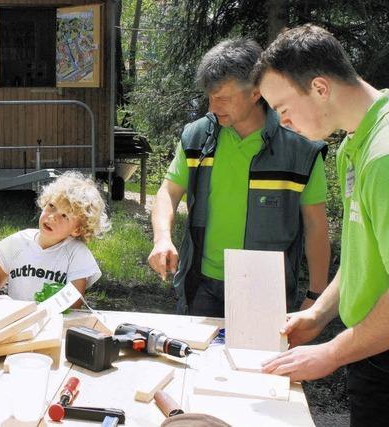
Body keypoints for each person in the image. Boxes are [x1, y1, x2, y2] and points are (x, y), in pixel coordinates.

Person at [253, 24, 389, 425]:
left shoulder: (383, 157)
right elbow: (365, 256)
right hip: (369, 347)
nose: (283, 122)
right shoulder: (354, 143)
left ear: (320, 88)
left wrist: (332, 353)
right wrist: (319, 315)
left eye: (283, 108)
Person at [148, 38, 330, 317]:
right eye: (209, 97)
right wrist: (162, 239)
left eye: (222, 98)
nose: (212, 107)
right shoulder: (197, 136)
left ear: (256, 92)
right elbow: (168, 192)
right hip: (201, 283)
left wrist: (316, 295)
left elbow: (316, 226)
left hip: (264, 288)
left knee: (258, 362)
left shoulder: (300, 149)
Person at [0, 172, 109, 308]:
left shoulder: (76, 253)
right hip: (16, 321)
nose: (52, 217)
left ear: (77, 230)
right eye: (52, 206)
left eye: (65, 215)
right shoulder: (19, 241)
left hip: (53, 323)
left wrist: (41, 310)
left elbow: (75, 301)